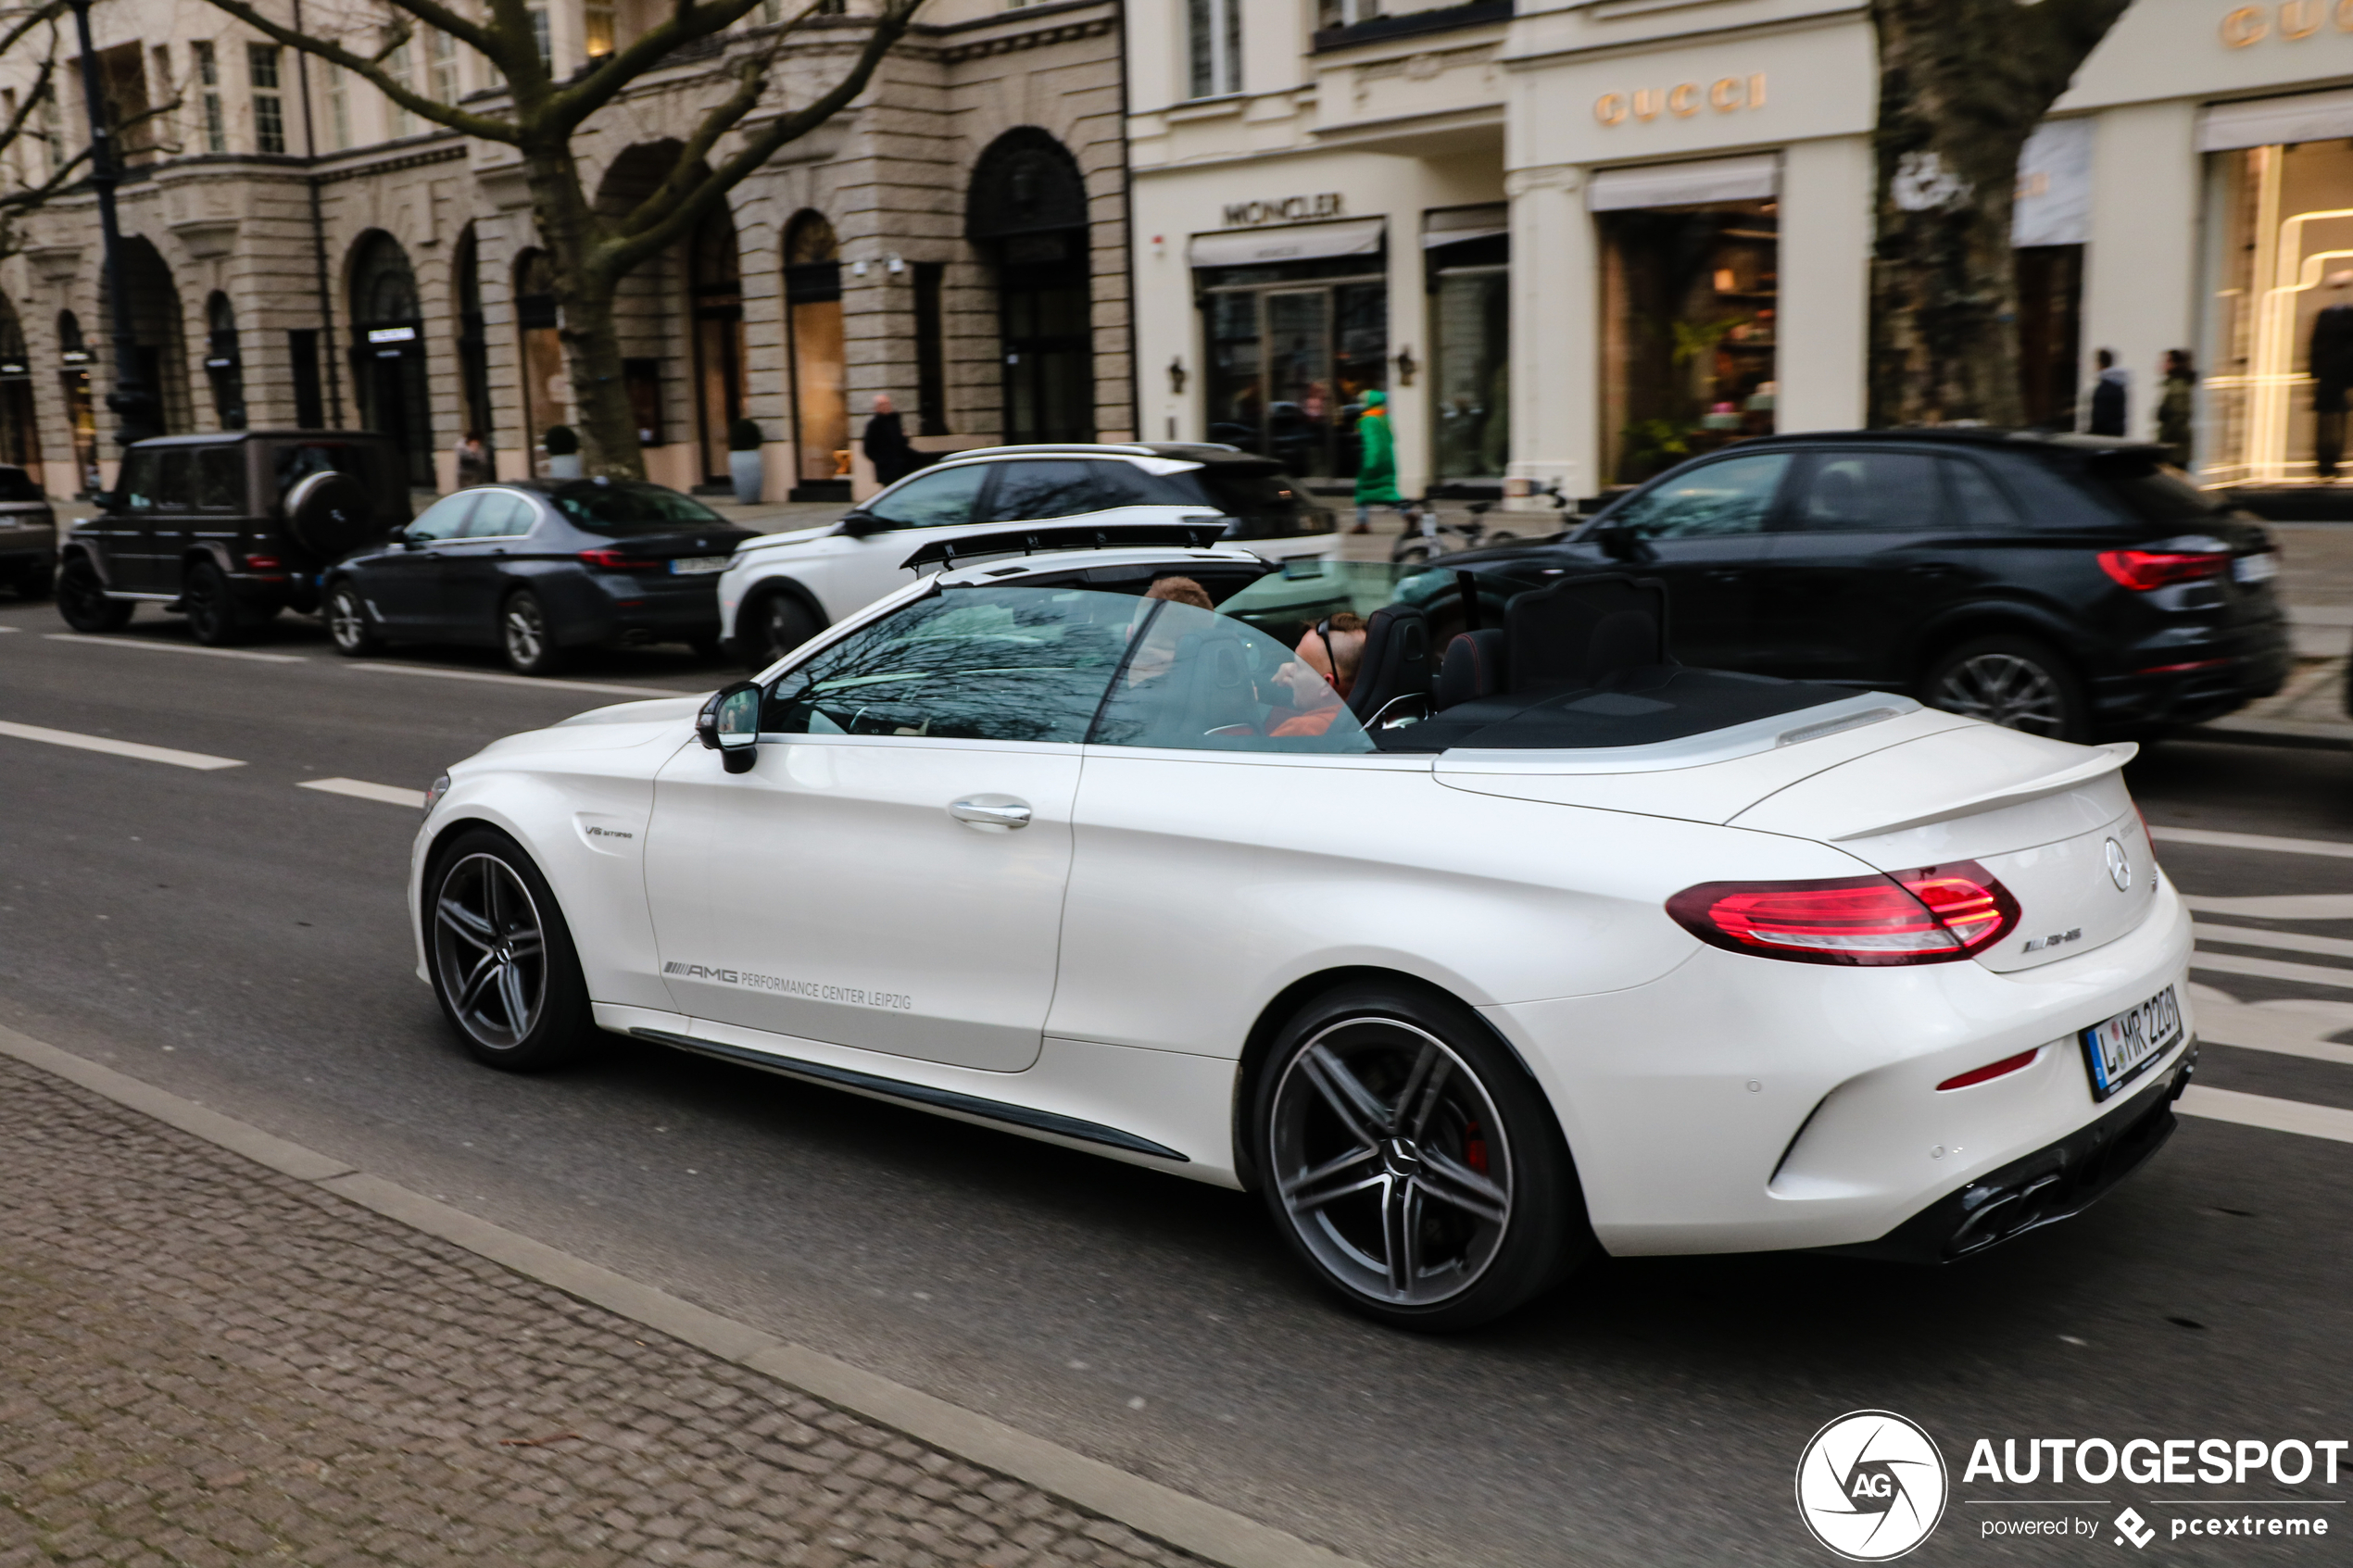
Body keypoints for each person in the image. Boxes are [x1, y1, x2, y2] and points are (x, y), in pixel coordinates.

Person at [1270, 612, 1366, 737]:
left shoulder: (1302, 729)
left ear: (1327, 684)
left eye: (1298, 666)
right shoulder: (1375, 716)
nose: (1287, 669)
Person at [1352, 389, 1402, 533]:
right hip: (1388, 460)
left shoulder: (1367, 420)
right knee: (1388, 490)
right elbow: (1392, 438)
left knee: (1362, 490)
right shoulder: (1385, 418)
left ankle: (1362, 523)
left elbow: (1371, 443)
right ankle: (1406, 512)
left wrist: (1370, 463)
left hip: (1373, 461)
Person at [862, 394, 919, 487]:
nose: (886, 407)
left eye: (887, 404)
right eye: (882, 405)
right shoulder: (873, 425)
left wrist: (904, 437)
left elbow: (902, 442)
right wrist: (883, 461)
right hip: (887, 471)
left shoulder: (895, 420)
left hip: (903, 467)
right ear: (877, 408)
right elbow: (868, 449)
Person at [2157, 349, 2196, 469]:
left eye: (2167, 361)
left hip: (2174, 451)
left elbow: (2177, 418)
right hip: (2175, 449)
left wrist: (2164, 444)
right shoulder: (2174, 385)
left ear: (2175, 364)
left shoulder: (2177, 387)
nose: (2162, 365)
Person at [2087, 349, 2128, 437]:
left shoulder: (2105, 388)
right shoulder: (2118, 385)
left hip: (2105, 437)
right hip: (2115, 435)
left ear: (2100, 364)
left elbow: (2100, 418)